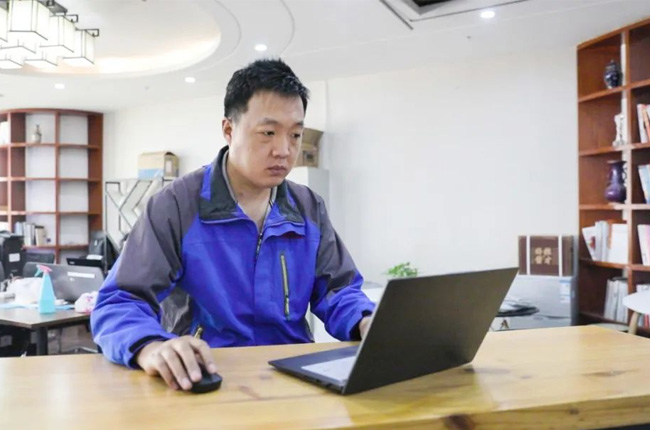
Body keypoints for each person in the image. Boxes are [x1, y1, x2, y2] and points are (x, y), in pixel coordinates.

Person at [90, 59, 376, 391]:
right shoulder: (177, 205)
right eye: (268, 133)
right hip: (205, 377)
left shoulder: (308, 207)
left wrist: (365, 321)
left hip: (292, 381)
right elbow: (121, 300)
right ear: (229, 130)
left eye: (295, 135)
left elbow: (338, 290)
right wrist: (150, 346)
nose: (284, 150)